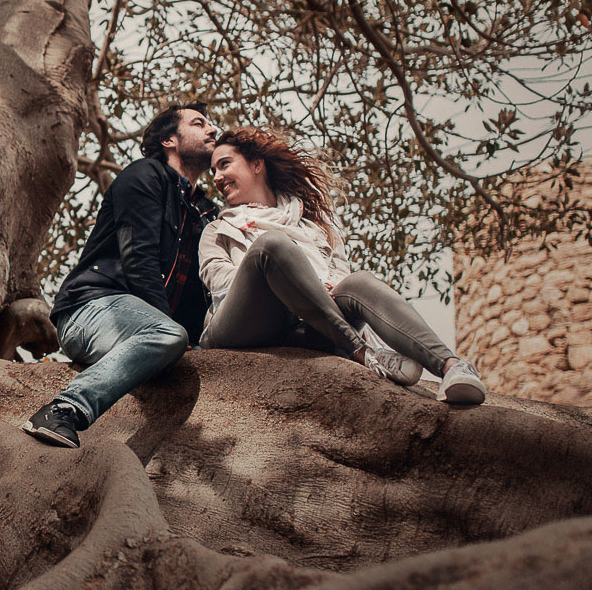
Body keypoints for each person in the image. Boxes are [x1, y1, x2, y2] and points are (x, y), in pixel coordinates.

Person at [197, 127, 487, 404]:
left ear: (257, 164)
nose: (218, 177)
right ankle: (363, 353)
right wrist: (286, 282)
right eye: (213, 172)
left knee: (358, 282)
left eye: (224, 165)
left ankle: (453, 367)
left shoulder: (314, 227)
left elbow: (339, 276)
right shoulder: (218, 229)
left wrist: (313, 288)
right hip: (244, 324)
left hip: (310, 324)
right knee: (272, 245)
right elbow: (219, 282)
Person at [23, 104, 220, 448]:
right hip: (91, 310)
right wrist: (176, 335)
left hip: (146, 327)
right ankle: (62, 410)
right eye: (200, 123)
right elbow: (138, 257)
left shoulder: (203, 210)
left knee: (177, 338)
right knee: (169, 335)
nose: (213, 130)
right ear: (170, 139)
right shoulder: (146, 174)